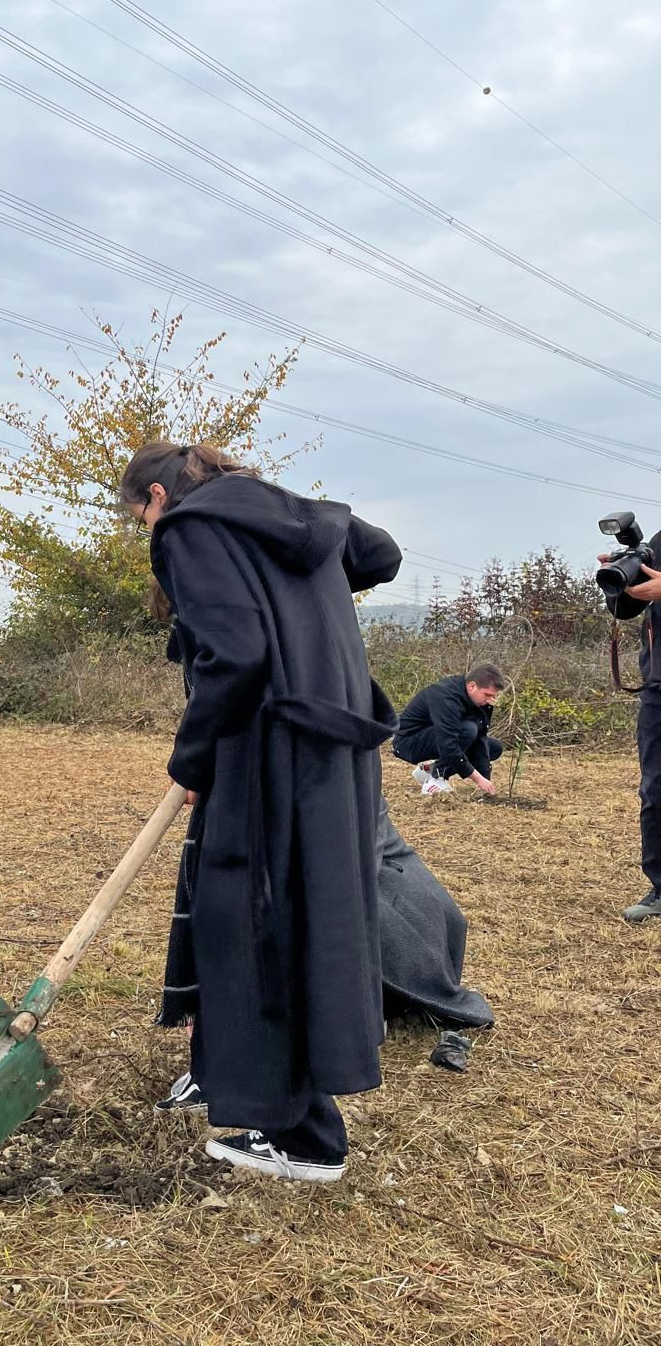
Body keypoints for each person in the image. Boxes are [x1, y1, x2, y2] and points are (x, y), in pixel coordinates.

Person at [122, 440, 401, 1183]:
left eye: (139, 516)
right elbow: (382, 554)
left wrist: (192, 758)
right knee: (267, 916)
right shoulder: (287, 516)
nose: (146, 531)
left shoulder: (189, 528)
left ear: (156, 497)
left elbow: (236, 653)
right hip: (333, 748)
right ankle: (228, 1075)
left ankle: (306, 1137)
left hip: (268, 750)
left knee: (262, 923)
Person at [157, 794, 494, 1115]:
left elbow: (342, 868)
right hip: (363, 907)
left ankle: (249, 1063)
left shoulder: (335, 766)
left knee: (288, 901)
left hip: (400, 919)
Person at [604, 537, 661, 921]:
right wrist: (620, 581)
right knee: (655, 791)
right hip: (658, 688)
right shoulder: (658, 543)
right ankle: (660, 888)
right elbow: (627, 610)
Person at [392, 665, 506, 796]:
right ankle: (436, 779)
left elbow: (480, 740)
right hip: (408, 743)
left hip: (438, 738)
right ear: (472, 686)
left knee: (494, 747)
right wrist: (477, 778)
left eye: (493, 696)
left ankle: (430, 770)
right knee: (468, 730)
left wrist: (486, 779)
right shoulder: (446, 697)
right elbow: (448, 743)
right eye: (487, 695)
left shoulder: (479, 701)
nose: (490, 700)